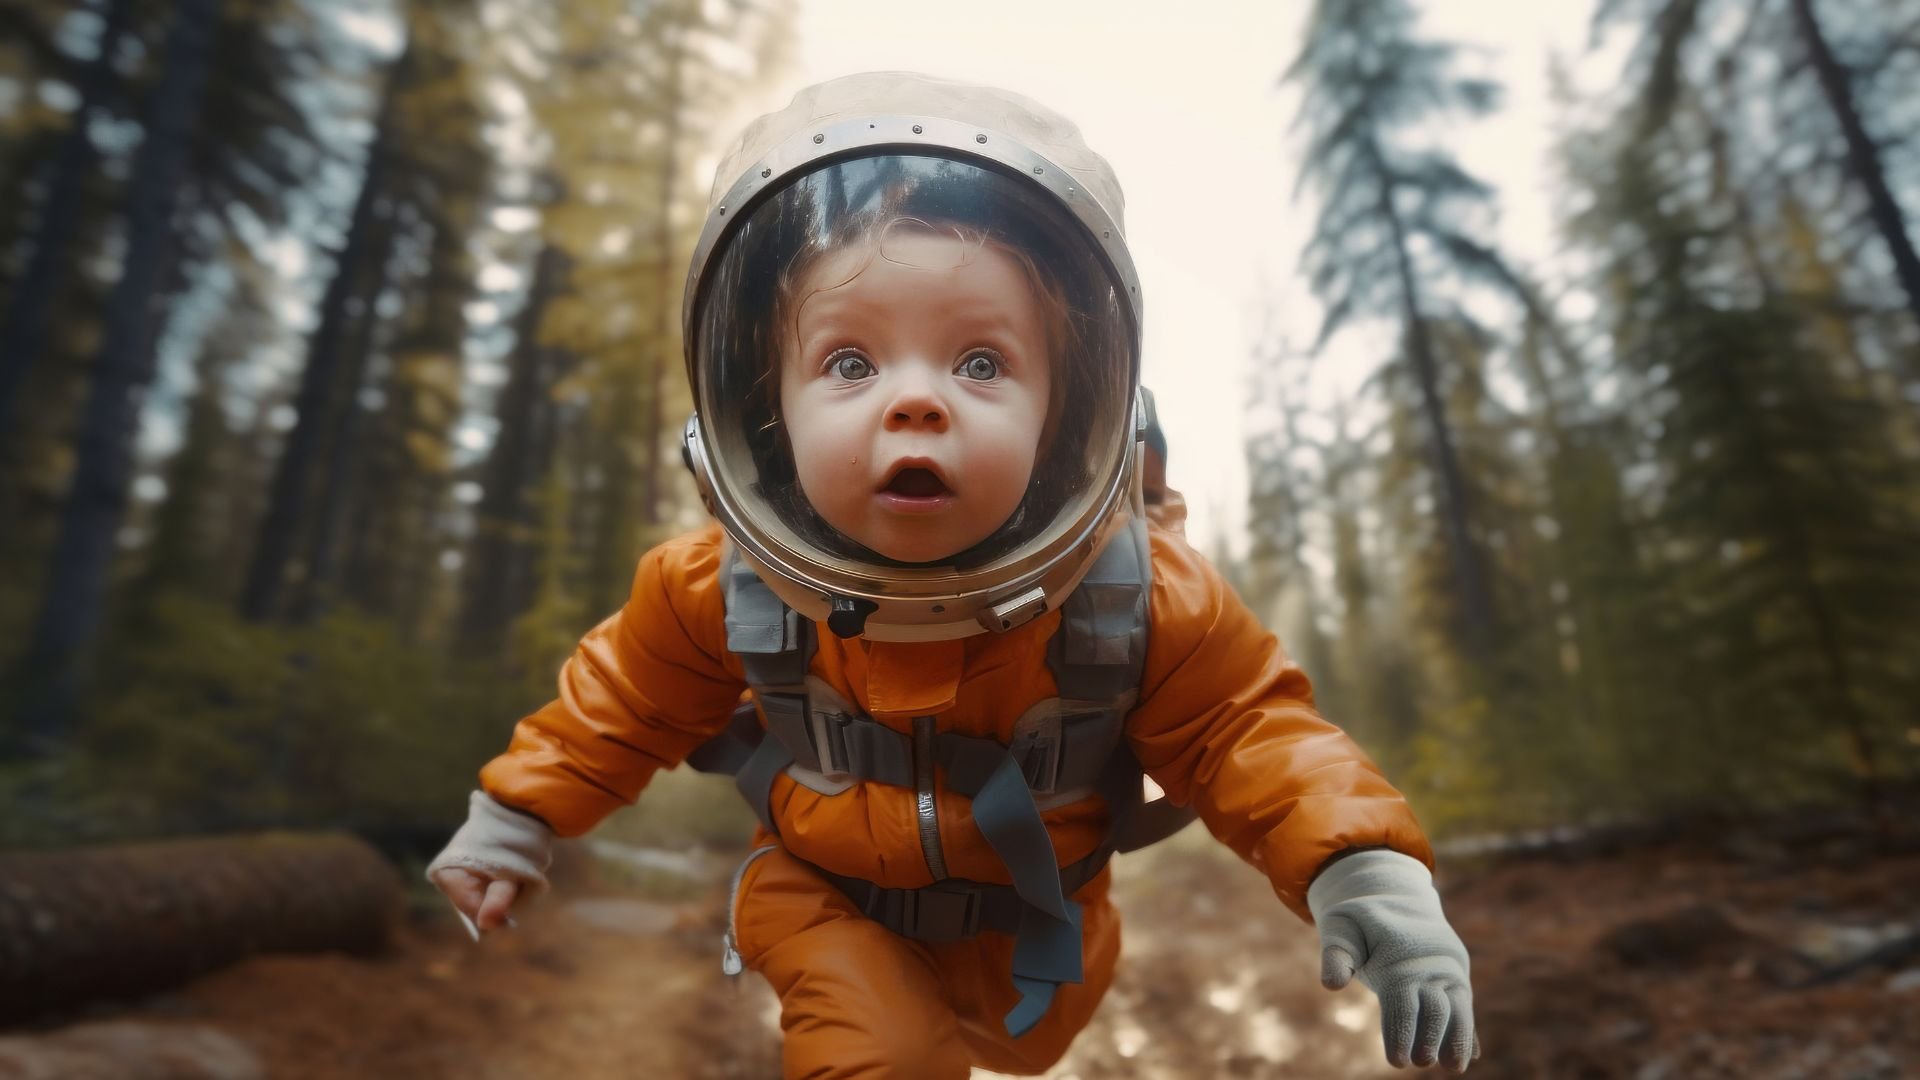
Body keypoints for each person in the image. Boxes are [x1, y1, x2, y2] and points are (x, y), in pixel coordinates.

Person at [428, 72, 1478, 1077]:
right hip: (819, 889)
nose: (916, 402)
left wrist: (1365, 868)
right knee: (883, 1057)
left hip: (1042, 911)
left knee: (1025, 1046)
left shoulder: (1138, 595)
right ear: (764, 414)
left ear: (1063, 415)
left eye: (981, 362)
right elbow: (619, 701)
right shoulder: (717, 587)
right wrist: (514, 816)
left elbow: (1249, 732)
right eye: (850, 363)